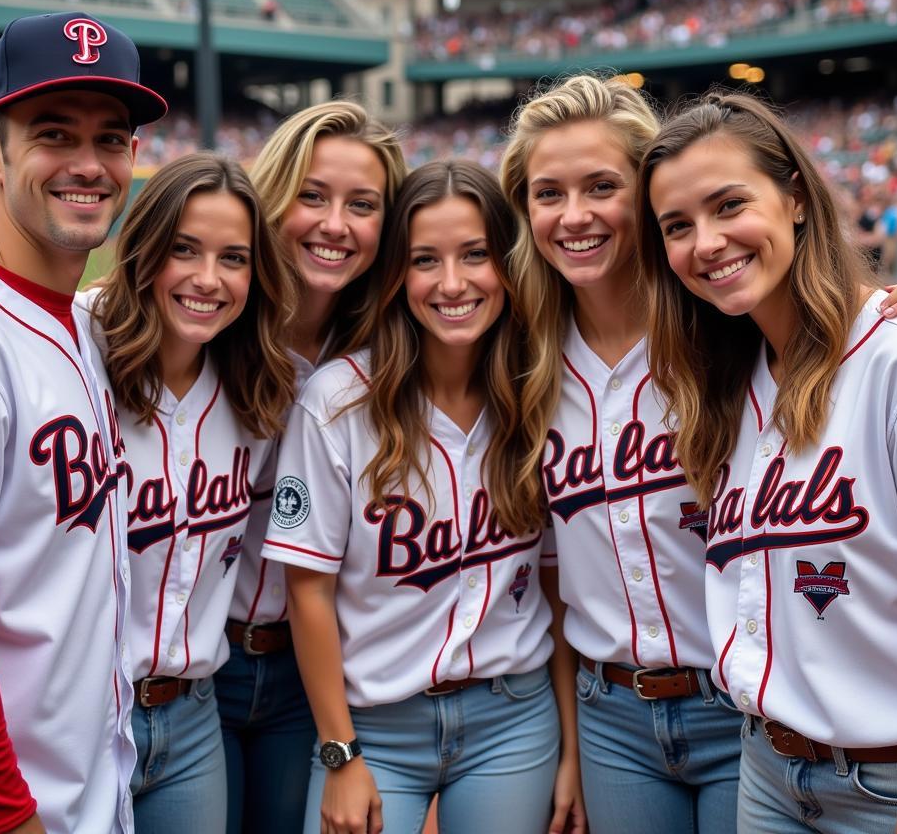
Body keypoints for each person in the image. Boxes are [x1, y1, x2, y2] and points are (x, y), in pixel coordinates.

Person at [638, 91, 897, 834]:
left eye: (728, 204)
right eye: (677, 226)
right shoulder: (726, 386)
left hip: (892, 784)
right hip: (765, 774)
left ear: (796, 198)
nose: (706, 242)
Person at [0, 11, 167, 833]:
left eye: (113, 139)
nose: (89, 165)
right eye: (54, 133)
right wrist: (7, 821)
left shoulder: (84, 323)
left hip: (87, 789)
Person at [262, 161, 565, 834]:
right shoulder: (338, 401)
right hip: (374, 723)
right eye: (425, 259)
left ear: (509, 267)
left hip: (511, 716)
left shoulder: (539, 386)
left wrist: (571, 748)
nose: (452, 284)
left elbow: (554, 577)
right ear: (397, 274)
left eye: (476, 256)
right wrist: (341, 754)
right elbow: (306, 590)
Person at [500, 74, 742, 834]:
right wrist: (571, 748)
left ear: (645, 194)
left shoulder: (729, 334)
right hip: (612, 723)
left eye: (602, 186)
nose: (574, 216)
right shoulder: (517, 362)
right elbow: (556, 585)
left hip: (744, 708)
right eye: (548, 193)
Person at [84, 153, 296, 833]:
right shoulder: (73, 340)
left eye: (234, 258)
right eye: (185, 250)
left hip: (194, 716)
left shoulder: (261, 383)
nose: (209, 279)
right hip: (79, 717)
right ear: (145, 250)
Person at [215, 101, 407, 834]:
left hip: (310, 673)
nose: (336, 224)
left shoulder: (393, 351)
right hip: (201, 667)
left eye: (362, 205)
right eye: (313, 195)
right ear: (271, 201)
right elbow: (80, 318)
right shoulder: (200, 317)